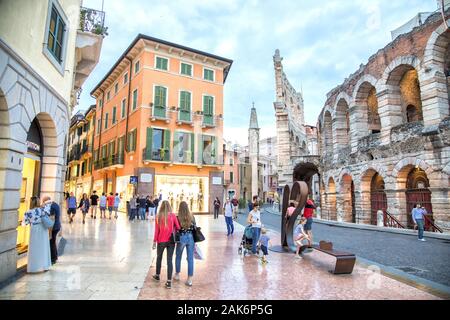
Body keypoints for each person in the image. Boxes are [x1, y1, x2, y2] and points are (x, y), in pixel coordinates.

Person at [152, 200, 180, 289]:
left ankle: (157, 275)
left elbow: (157, 230)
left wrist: (154, 241)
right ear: (169, 206)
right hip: (171, 241)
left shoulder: (158, 216)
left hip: (161, 240)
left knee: (159, 257)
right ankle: (168, 282)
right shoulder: (173, 216)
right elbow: (178, 227)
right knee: (169, 260)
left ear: (161, 207)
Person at [22, 196, 52, 273]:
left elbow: (24, 223)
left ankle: (33, 267)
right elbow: (49, 210)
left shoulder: (28, 212)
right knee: (43, 247)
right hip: (42, 229)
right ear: (38, 202)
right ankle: (44, 266)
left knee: (33, 248)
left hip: (34, 229)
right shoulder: (42, 209)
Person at [173, 201, 196, 287]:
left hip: (182, 237)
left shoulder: (178, 217)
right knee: (190, 258)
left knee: (178, 256)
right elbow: (195, 227)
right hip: (191, 238)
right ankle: (189, 279)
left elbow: (175, 228)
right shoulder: (192, 216)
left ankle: (177, 274)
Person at [42, 196, 61, 265]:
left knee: (51, 242)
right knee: (53, 242)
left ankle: (53, 259)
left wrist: (50, 232)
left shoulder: (51, 206)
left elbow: (52, 218)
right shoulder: (55, 204)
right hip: (57, 226)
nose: (43, 204)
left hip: (54, 227)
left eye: (43, 202)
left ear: (46, 201)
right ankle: (55, 257)